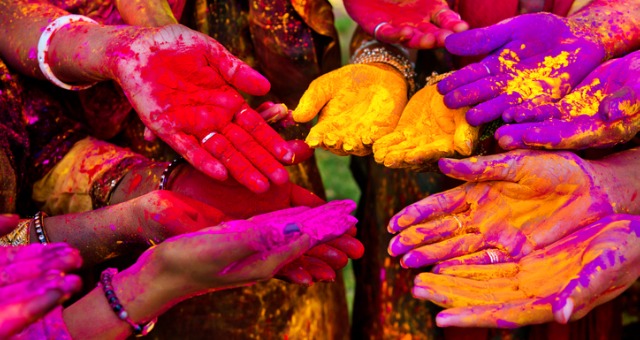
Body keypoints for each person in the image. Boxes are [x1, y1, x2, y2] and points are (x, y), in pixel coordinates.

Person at [293, 0, 640, 338]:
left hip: (582, 185)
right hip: (427, 145)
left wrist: (623, 181)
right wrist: (384, 63)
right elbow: (399, 19)